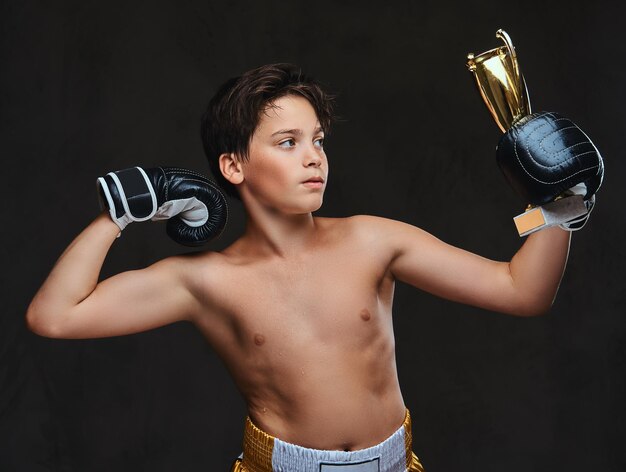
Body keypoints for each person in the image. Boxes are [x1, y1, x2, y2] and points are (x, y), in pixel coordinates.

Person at [25, 63, 601, 472]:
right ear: (233, 165)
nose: (313, 156)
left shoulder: (374, 240)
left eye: (318, 140)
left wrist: (557, 208)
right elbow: (54, 317)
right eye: (287, 141)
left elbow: (521, 291)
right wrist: (122, 213)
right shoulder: (203, 282)